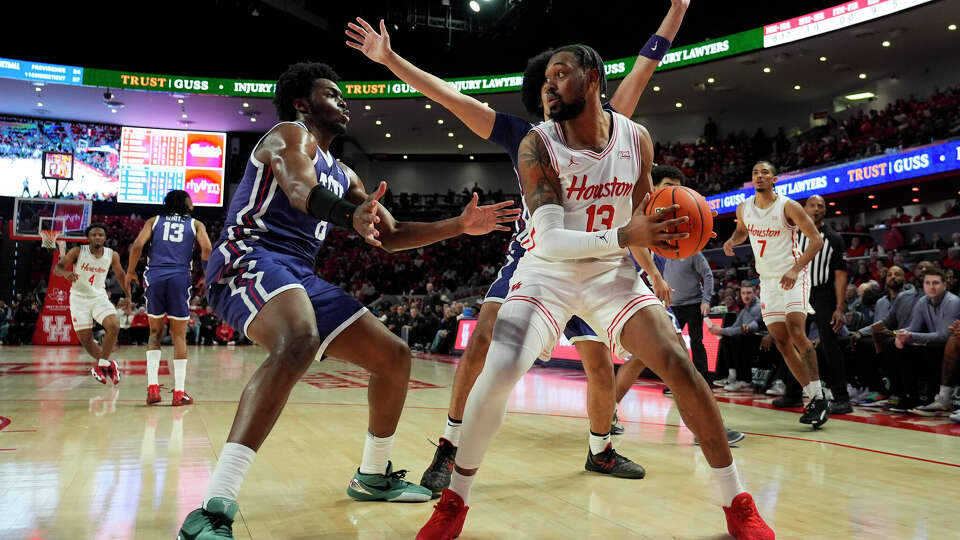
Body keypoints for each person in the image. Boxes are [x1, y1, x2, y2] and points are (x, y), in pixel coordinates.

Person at [417, 44, 772, 540]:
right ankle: (454, 502)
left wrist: (678, 227)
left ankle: (737, 501)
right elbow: (552, 239)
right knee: (497, 369)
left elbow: (643, 208)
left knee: (678, 362)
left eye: (560, 74)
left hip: (611, 273)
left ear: (593, 78)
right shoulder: (536, 144)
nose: (548, 84)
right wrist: (629, 237)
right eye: (545, 78)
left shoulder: (637, 138)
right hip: (547, 270)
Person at [345, 1, 689, 494]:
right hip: (538, 262)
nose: (555, 91)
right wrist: (391, 61)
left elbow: (646, 63)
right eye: (549, 84)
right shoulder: (526, 136)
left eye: (563, 79)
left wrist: (676, 10)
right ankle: (450, 444)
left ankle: (600, 451)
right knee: (483, 342)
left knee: (598, 366)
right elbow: (449, 98)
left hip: (595, 264)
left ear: (586, 85)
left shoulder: (613, 126)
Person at [177, 61, 520, 539]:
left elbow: (393, 233)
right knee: (298, 338)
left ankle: (372, 474)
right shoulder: (286, 136)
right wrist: (349, 214)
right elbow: (300, 190)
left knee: (394, 357)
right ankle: (212, 510)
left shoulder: (344, 172)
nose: (344, 102)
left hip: (298, 274)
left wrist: (458, 226)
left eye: (344, 95)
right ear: (302, 103)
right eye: (332, 94)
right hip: (247, 257)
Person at [723, 161, 828, 428]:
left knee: (796, 331)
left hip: (793, 275)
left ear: (774, 179)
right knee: (781, 341)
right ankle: (811, 397)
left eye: (765, 172)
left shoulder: (788, 206)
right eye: (755, 172)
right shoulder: (744, 207)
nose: (759, 176)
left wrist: (795, 269)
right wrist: (732, 241)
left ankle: (819, 394)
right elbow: (742, 230)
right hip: (768, 281)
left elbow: (815, 240)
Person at [126, 190, 213, 406]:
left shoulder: (154, 221)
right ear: (185, 203)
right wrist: (205, 274)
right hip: (178, 278)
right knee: (179, 336)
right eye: (190, 198)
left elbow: (137, 246)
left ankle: (153, 389)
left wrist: (130, 271)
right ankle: (179, 393)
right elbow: (208, 248)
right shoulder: (196, 224)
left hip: (154, 277)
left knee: (154, 332)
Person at [54, 223, 131, 384]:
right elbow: (57, 268)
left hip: (98, 297)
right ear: (88, 238)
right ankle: (109, 364)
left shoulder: (112, 255)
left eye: (101, 235)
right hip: (78, 299)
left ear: (105, 238)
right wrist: (66, 272)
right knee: (86, 341)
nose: (97, 237)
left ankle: (102, 364)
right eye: (94, 235)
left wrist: (128, 295)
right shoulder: (78, 251)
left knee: (114, 325)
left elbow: (121, 275)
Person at [797, 195, 851, 414]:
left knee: (830, 345)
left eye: (821, 206)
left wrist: (839, 307)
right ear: (804, 208)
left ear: (825, 211)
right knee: (793, 343)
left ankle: (842, 397)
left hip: (823, 294)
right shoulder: (794, 235)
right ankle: (793, 392)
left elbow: (840, 275)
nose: (816, 209)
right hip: (798, 291)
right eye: (813, 205)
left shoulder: (834, 238)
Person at [894, 268, 960, 411]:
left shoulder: (953, 301)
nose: (931, 287)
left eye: (935, 283)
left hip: (947, 346)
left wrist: (911, 336)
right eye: (927, 283)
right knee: (895, 345)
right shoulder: (922, 301)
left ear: (945, 285)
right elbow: (914, 327)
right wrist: (901, 334)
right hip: (932, 343)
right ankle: (909, 396)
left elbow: (944, 336)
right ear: (923, 285)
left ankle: (933, 397)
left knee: (933, 347)